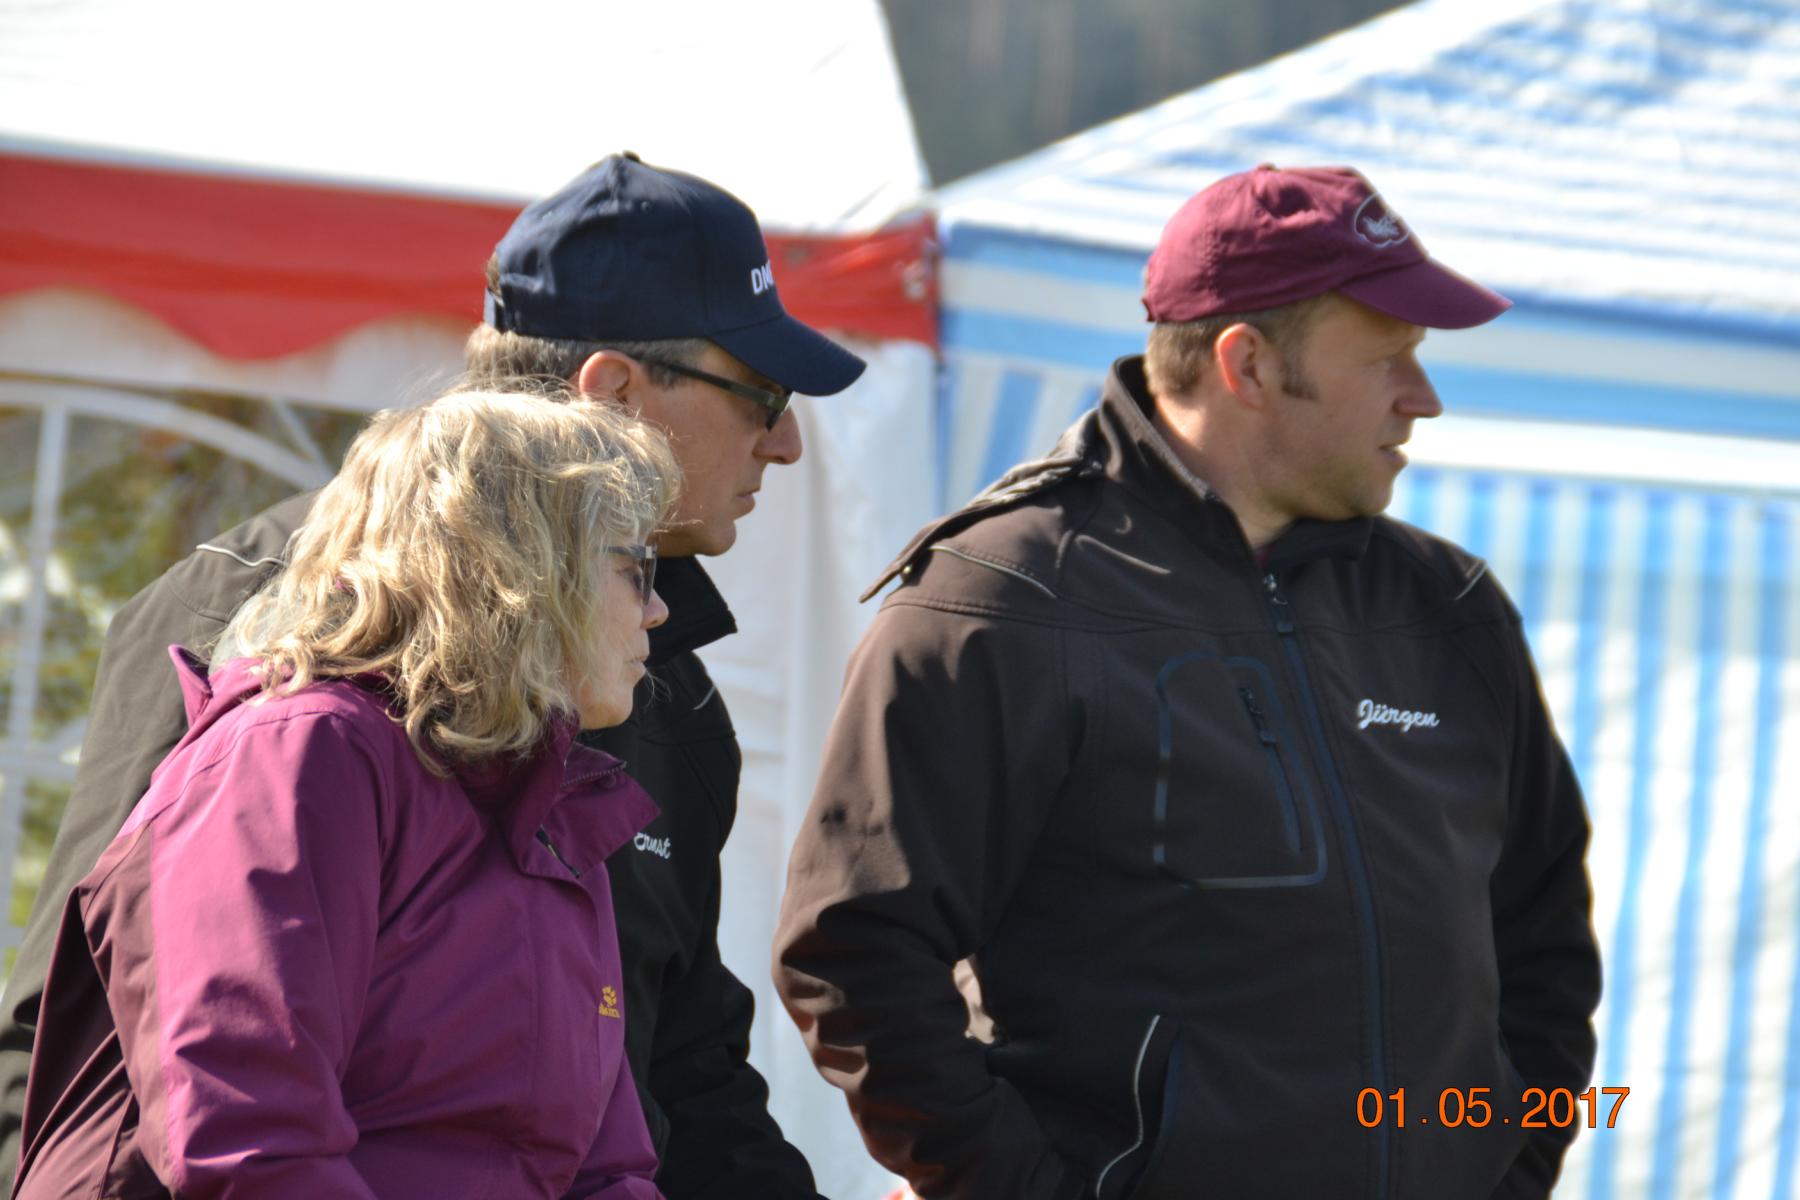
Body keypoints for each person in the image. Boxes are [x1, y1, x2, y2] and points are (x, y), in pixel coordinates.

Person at [0, 153, 862, 1198]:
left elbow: (672, 1082)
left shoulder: (657, 692)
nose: (785, 442)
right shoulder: (273, 643)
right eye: (763, 393)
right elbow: (78, 1032)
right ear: (615, 393)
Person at [772, 164, 1602, 1199]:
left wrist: (1509, 1174)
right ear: (1246, 363)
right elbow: (854, 952)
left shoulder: (1449, 606)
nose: (1423, 398)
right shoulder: (1003, 601)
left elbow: (1544, 949)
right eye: (1388, 357)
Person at [12, 387, 677, 1196]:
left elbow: (606, 1170)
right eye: (636, 569)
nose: (657, 609)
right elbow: (249, 1135)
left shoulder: (552, 808)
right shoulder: (303, 753)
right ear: (524, 569)